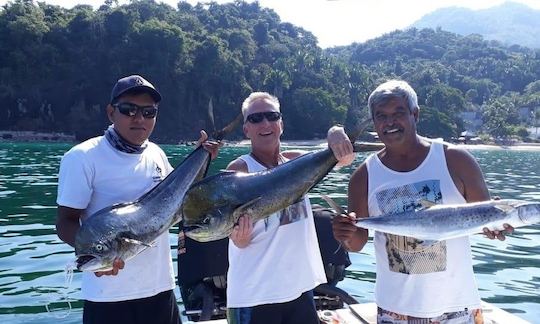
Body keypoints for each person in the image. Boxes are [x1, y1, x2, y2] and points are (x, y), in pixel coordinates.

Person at [332, 80, 513, 323]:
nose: (389, 122)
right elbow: (356, 244)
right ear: (374, 123)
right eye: (381, 116)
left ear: (415, 114)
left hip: (457, 307)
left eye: (398, 113)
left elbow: (485, 223)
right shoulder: (363, 177)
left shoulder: (456, 160)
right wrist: (344, 233)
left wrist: (498, 227)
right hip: (395, 310)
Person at [55, 75, 219, 324]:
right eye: (128, 109)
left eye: (148, 112)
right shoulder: (82, 158)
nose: (139, 118)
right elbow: (65, 222)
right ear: (111, 113)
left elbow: (177, 205)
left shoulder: (157, 154)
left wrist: (202, 158)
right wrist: (96, 258)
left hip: (160, 290)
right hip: (107, 299)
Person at [225, 92, 354, 324]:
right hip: (256, 296)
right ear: (246, 130)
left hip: (299, 291)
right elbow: (234, 236)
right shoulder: (239, 170)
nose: (265, 123)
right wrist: (239, 238)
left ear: (281, 124)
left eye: (271, 116)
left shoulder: (298, 163)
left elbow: (343, 159)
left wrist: (336, 131)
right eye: (255, 119)